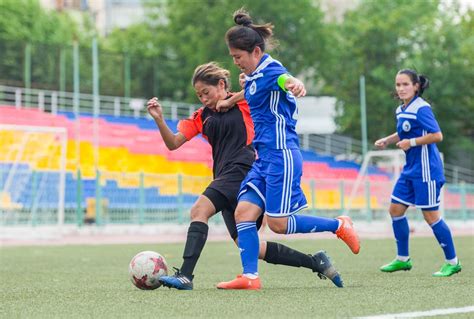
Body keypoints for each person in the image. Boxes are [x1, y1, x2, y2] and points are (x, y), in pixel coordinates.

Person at [146, 62, 343, 290]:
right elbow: (173, 143)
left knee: (199, 210)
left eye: (206, 93)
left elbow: (256, 90)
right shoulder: (201, 116)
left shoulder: (244, 102)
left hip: (243, 169)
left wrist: (232, 98)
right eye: (199, 95)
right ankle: (316, 262)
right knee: (251, 246)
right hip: (224, 177)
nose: (203, 98)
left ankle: (186, 275)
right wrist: (159, 119)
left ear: (221, 84)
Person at [216, 9, 360, 290]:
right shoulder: (256, 74)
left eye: (238, 57)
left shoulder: (272, 70)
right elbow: (255, 89)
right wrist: (232, 99)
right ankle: (250, 277)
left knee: (278, 225)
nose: (236, 64)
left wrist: (295, 83)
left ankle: (339, 226)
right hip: (263, 158)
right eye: (233, 58)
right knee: (243, 213)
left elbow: (284, 80)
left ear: (255, 51)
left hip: (282, 154)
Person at [374, 69, 461, 277]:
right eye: (398, 85)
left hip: (427, 171)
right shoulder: (401, 109)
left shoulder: (422, 108)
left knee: (430, 216)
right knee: (395, 210)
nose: (401, 88)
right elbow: (404, 131)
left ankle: (453, 262)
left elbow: (437, 135)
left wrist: (410, 143)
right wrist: (388, 140)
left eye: (405, 84)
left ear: (416, 86)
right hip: (410, 171)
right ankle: (403, 259)